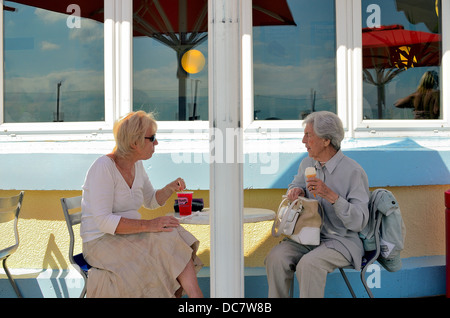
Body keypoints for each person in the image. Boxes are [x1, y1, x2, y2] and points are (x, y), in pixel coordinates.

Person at [80, 111, 203, 298]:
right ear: (134, 142)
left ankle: (196, 297)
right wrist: (150, 225)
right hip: (100, 242)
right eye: (152, 138)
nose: (156, 143)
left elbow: (151, 200)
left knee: (171, 232)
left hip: (130, 236)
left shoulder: (136, 165)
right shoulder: (103, 167)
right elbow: (104, 222)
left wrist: (169, 189)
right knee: (160, 254)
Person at [265, 111, 370, 298]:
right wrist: (296, 191)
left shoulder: (353, 171)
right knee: (276, 257)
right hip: (307, 237)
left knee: (309, 264)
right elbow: (296, 184)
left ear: (326, 140)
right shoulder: (307, 163)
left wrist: (331, 196)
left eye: (308, 135)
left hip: (341, 241)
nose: (303, 141)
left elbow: (359, 221)